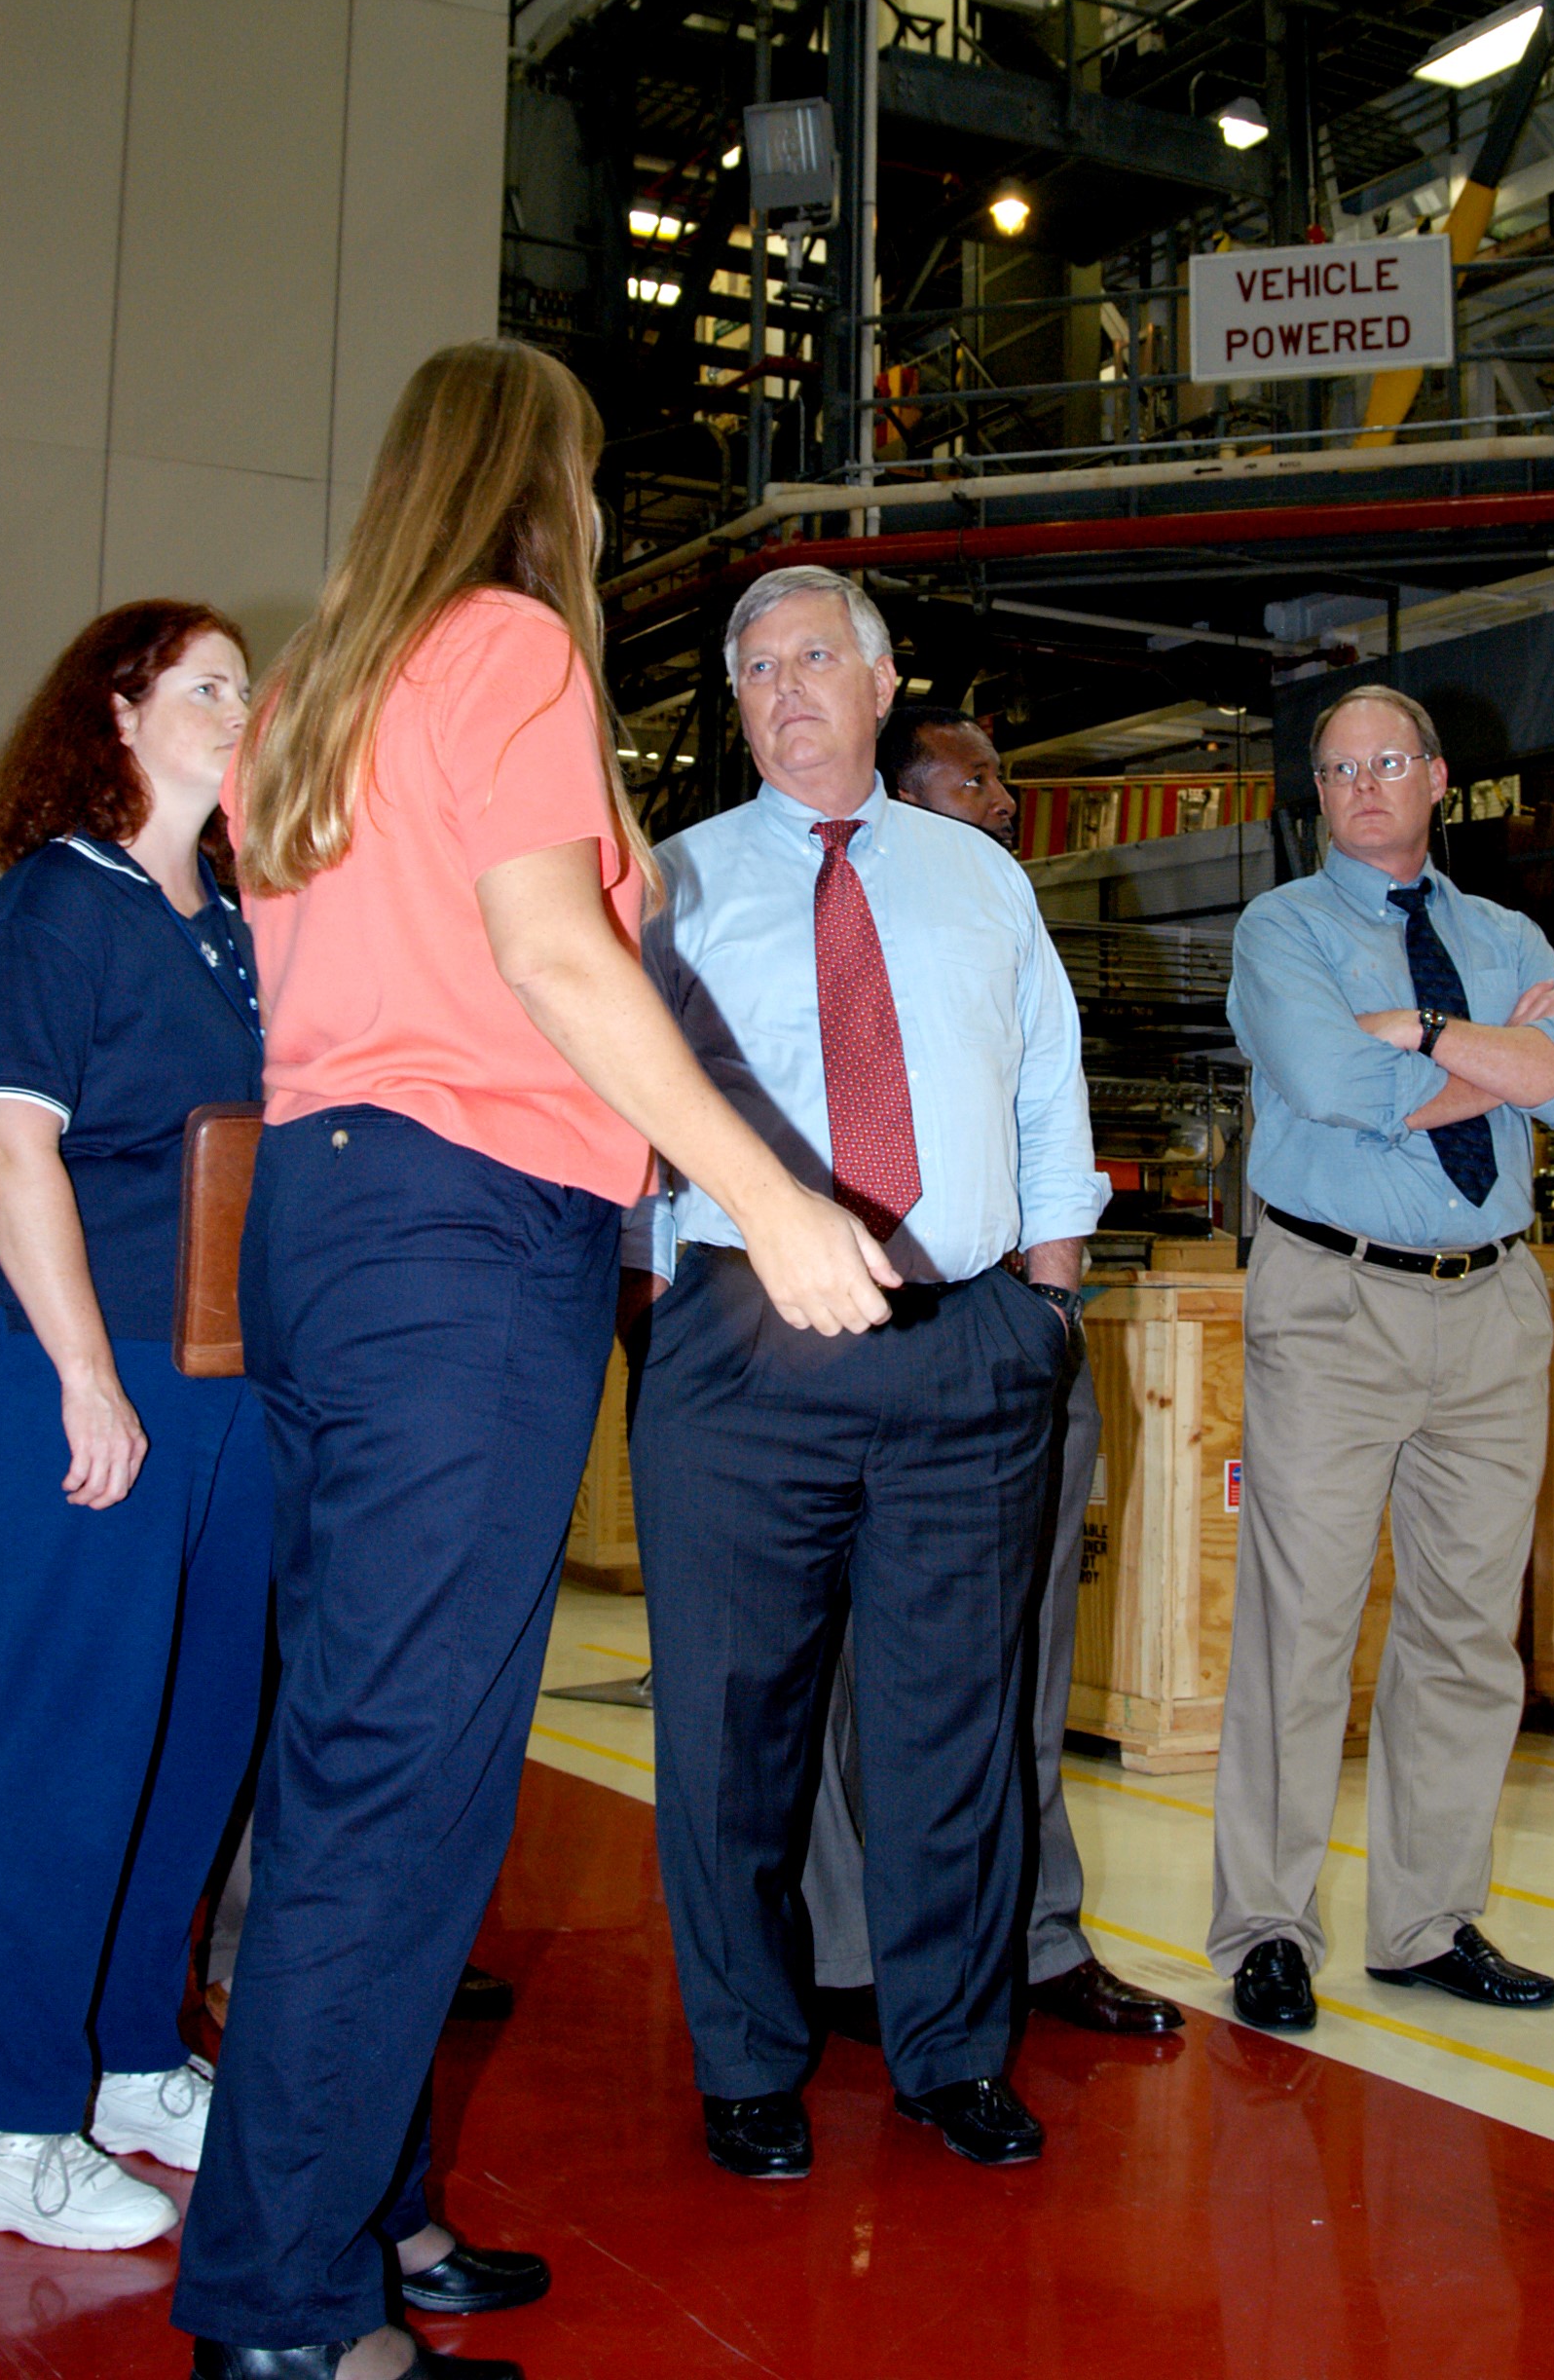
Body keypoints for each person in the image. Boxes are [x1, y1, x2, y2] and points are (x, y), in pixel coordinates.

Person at [170, 346, 889, 2380]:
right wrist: (770, 1192)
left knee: (355, 1739)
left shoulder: (318, 688)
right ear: (532, 483)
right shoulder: (503, 643)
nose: (591, 510)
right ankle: (283, 2308)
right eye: (582, 473)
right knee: (400, 1777)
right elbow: (546, 957)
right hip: (460, 1244)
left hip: (326, 1228)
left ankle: (366, 2212)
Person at [622, 571, 1111, 2181]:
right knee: (728, 1728)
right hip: (741, 1350)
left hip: (967, 1344)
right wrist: (664, 1314)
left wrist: (1043, 1295)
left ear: (885, 679)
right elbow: (621, 1124)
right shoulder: (669, 885)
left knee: (950, 1728)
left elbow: (1048, 1081)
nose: (783, 686)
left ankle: (952, 2050)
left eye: (815, 655)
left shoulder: (982, 881)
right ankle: (748, 2057)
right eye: (753, 666)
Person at [0, 603, 272, 2250]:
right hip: (59, 1370)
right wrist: (83, 1373)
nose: (242, 707)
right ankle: (2, 2125)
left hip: (221, 1383)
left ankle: (132, 2058)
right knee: (60, 1748)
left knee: (193, 1740)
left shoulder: (238, 927)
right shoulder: (52, 911)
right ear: (120, 713)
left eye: (247, 688)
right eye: (210, 685)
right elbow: (11, 1151)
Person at [1209, 684, 1554, 2033]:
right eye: (1337, 768)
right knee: (1302, 1624)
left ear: (1438, 779)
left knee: (1464, 1632)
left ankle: (1425, 1921)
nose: (1363, 785)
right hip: (1335, 1301)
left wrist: (1436, 1036)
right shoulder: (1284, 931)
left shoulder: (1501, 934)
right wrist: (1516, 1063)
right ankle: (1267, 1925)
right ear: (1318, 792)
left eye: (1387, 761)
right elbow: (1336, 1086)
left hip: (1492, 1311)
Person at [803, 702, 1182, 2041]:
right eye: (975, 782)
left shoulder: (1003, 916)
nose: (1005, 800)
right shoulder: (806, 912)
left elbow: (1054, 1098)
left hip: (1009, 1319)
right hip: (841, 1330)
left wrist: (1050, 1306)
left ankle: (1034, 1936)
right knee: (848, 1663)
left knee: (1026, 1643)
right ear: (897, 794)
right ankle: (846, 1952)